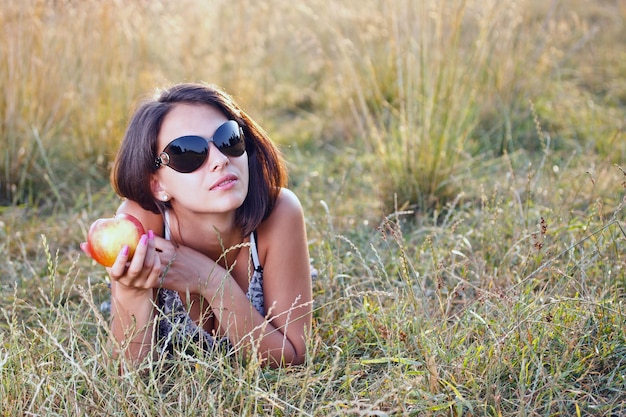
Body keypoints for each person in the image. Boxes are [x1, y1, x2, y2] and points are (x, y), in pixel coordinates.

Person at [81, 82, 313, 368]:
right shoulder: (141, 228)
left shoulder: (278, 211)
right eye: (187, 153)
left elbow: (294, 356)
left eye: (229, 138)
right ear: (157, 185)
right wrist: (131, 291)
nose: (219, 160)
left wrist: (211, 280)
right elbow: (128, 377)